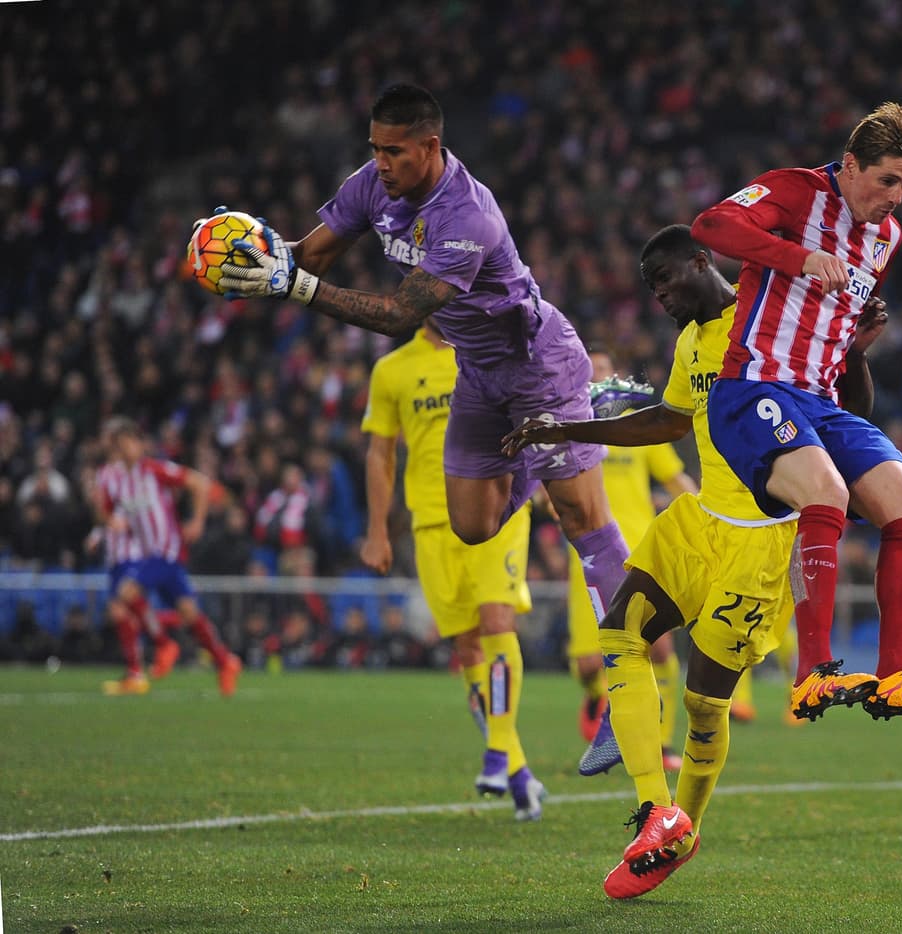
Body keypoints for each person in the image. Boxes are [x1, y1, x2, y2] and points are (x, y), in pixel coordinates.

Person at [502, 225, 886, 898]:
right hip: (700, 522)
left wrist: (851, 353)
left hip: (762, 539)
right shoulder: (689, 343)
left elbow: (848, 418)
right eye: (652, 290)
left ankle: (684, 830)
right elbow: (667, 422)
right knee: (620, 632)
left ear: (702, 261)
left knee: (704, 703)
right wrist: (567, 427)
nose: (661, 299)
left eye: (666, 282)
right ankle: (658, 811)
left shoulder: (769, 321)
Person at [206, 82, 633, 634]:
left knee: (580, 515)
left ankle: (630, 647)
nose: (380, 164)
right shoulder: (371, 185)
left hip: (536, 367)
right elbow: (310, 255)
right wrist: (246, 255)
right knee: (473, 525)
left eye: (394, 152)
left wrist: (295, 287)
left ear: (430, 147)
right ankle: (536, 452)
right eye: (375, 149)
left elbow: (399, 315)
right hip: (478, 373)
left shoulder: (467, 215)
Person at [691, 102, 902, 723]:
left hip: (820, 400)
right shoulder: (796, 192)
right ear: (850, 165)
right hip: (751, 386)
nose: (896, 197)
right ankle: (812, 673)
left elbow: (834, 329)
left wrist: (857, 348)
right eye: (886, 180)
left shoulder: (887, 238)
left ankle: (895, 676)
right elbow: (710, 226)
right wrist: (799, 257)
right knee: (825, 492)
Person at [360, 319, 544, 821]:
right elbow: (380, 451)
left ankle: (497, 753)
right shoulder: (393, 370)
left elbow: (530, 412)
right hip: (432, 522)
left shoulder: (492, 349)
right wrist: (377, 529)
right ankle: (519, 769)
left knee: (498, 622)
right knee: (468, 648)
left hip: (497, 508)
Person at [568, 349, 697, 769]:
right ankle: (600, 702)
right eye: (590, 373)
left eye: (605, 371)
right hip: (587, 554)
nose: (598, 378)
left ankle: (658, 742)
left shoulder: (635, 427)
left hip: (641, 550)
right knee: (588, 664)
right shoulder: (572, 428)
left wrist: (702, 509)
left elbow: (673, 475)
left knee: (657, 648)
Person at [94, 417, 242, 697]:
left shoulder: (153, 470)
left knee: (125, 594)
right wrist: (105, 519)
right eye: (121, 445)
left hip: (167, 551)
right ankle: (224, 661)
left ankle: (164, 644)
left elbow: (198, 483)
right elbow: (105, 513)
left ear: (139, 445)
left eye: (130, 443)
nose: (127, 449)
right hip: (153, 555)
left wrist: (197, 520)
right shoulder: (120, 482)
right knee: (189, 612)